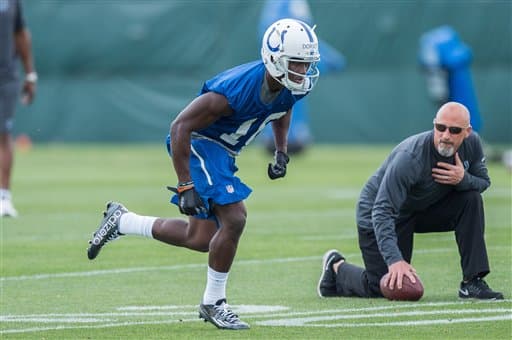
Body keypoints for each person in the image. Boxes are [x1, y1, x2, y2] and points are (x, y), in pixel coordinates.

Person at [87, 18, 320, 330]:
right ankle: (214, 303)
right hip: (200, 143)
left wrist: (281, 149)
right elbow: (180, 127)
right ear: (274, 58)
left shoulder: (290, 85)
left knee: (199, 238)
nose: (302, 72)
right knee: (235, 218)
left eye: (305, 65)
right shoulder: (235, 90)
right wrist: (185, 184)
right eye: (296, 64)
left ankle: (123, 220)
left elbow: (283, 108)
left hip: (223, 152)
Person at [318, 102, 504, 301]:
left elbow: (483, 182)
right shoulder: (410, 157)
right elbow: (382, 210)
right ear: (434, 125)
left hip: (418, 210)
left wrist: (463, 179)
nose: (446, 135)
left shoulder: (473, 144)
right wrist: (395, 260)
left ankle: (472, 282)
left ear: (467, 132)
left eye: (454, 130)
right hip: (378, 214)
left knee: (471, 198)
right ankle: (336, 267)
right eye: (440, 128)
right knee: (385, 286)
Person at [0, 0, 37, 217]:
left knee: (3, 135)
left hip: (5, 76)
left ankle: (3, 198)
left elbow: (20, 32)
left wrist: (30, 74)